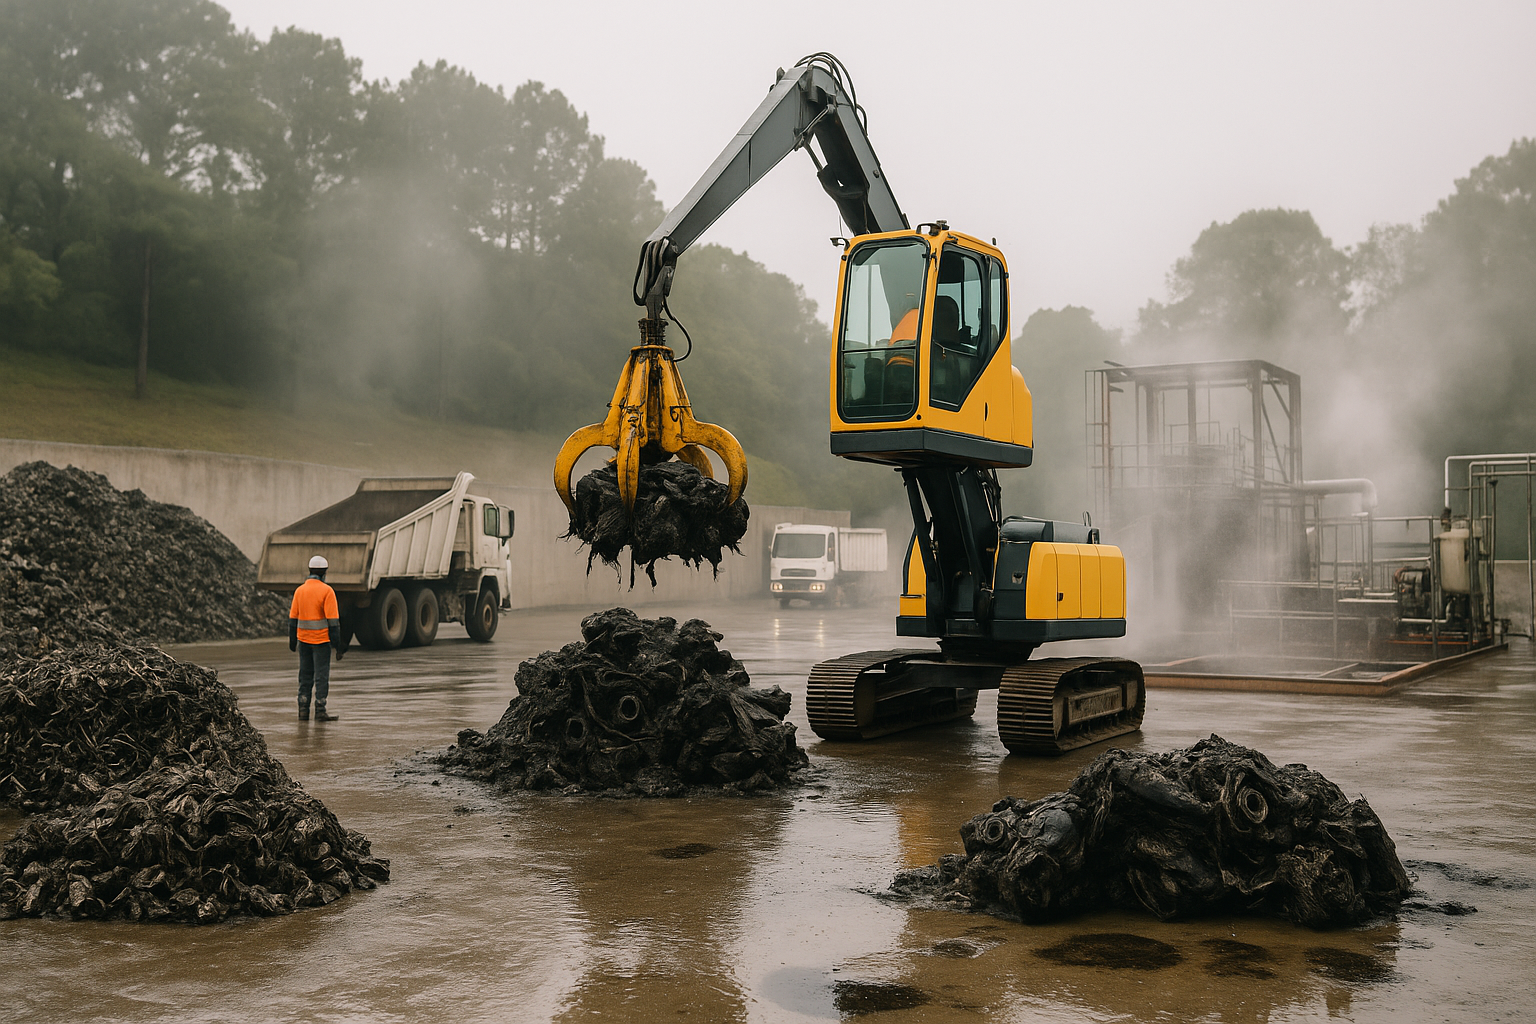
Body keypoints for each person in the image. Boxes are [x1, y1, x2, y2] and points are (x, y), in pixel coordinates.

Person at [289, 554, 344, 722]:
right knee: (321, 676)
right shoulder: (327, 591)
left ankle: (303, 711)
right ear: (324, 573)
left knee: (304, 676)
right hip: (321, 642)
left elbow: (293, 619)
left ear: (310, 571)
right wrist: (338, 646)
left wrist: (292, 641)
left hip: (303, 642)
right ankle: (320, 711)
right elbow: (333, 623)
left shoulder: (300, 591)